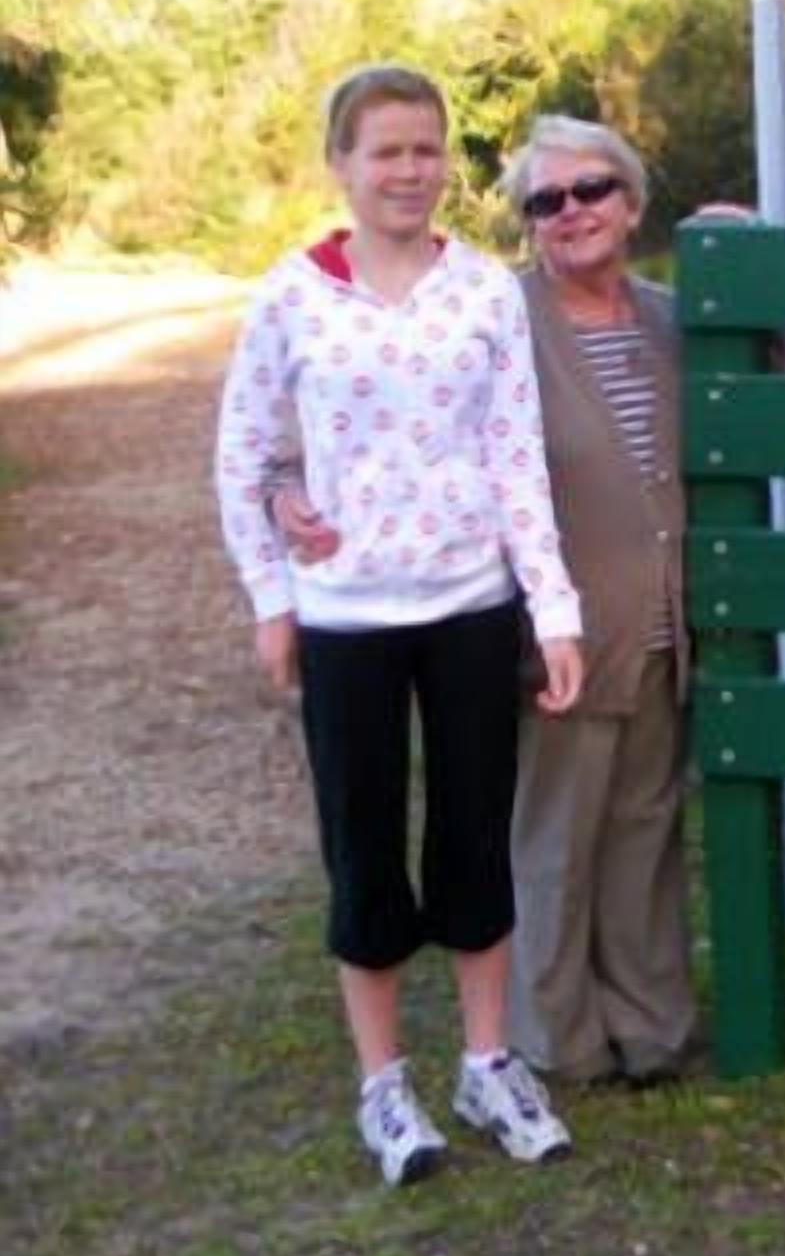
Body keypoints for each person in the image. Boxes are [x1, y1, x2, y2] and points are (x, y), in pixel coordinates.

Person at [215, 64, 582, 1187]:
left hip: (469, 604)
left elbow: (517, 454)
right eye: (386, 151)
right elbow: (244, 451)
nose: (410, 171)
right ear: (342, 162)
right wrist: (275, 597)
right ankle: (385, 1084)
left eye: (427, 149)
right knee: (364, 847)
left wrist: (552, 608)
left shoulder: (482, 293)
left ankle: (487, 1059)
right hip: (346, 618)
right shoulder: (291, 296)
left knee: (475, 838)